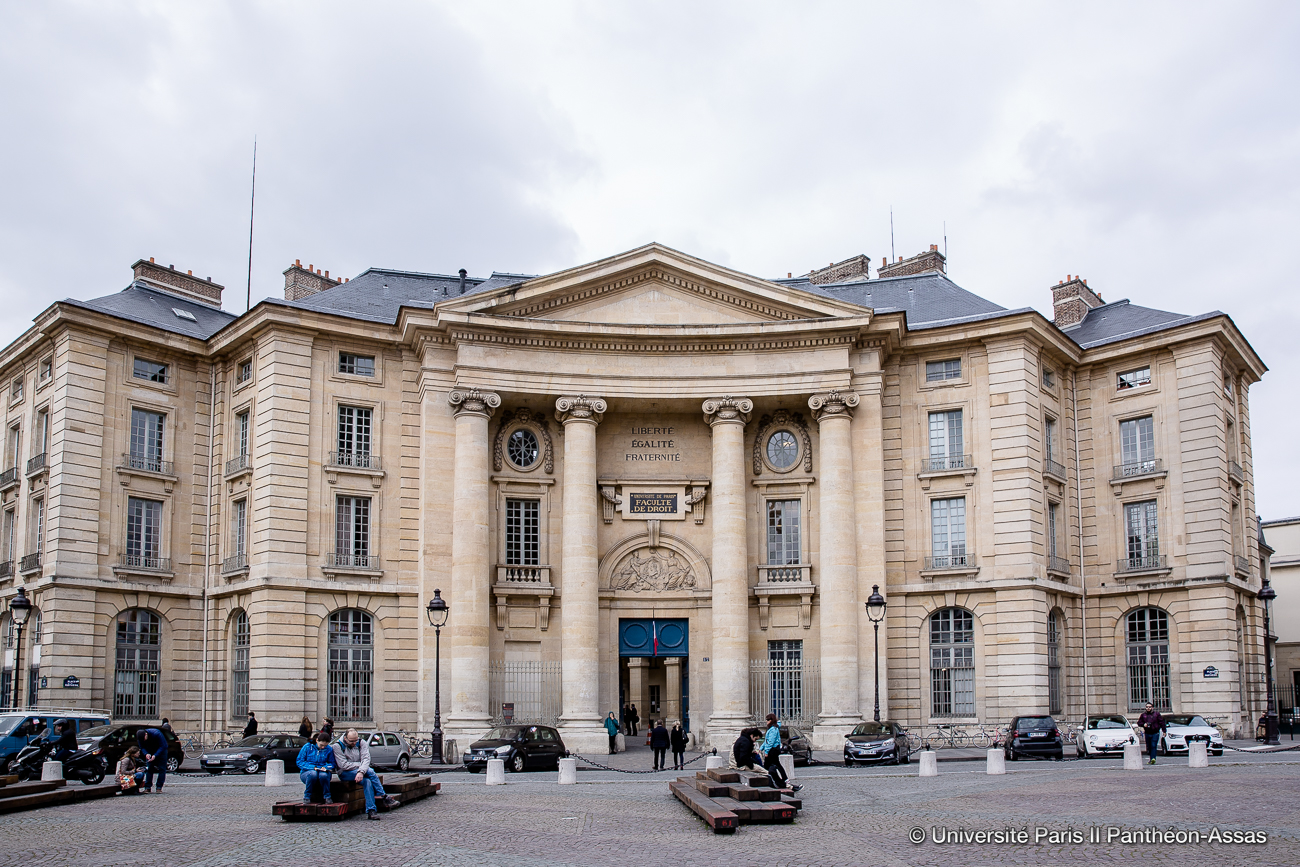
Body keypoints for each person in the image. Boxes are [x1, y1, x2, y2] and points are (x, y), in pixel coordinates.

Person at [333, 728, 399, 820]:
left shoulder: (361, 742)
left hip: (360, 771)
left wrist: (361, 772)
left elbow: (366, 759)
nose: (354, 743)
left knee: (368, 782)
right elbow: (343, 765)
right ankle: (384, 796)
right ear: (345, 739)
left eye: (356, 740)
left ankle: (371, 811)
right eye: (352, 741)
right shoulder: (337, 746)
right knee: (371, 771)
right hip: (345, 773)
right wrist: (361, 768)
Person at [761, 713, 800, 792]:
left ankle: (781, 781)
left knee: (770, 766)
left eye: (768, 720)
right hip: (773, 749)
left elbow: (770, 742)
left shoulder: (773, 729)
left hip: (773, 750)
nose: (766, 721)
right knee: (774, 765)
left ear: (772, 720)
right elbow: (766, 741)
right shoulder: (772, 728)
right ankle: (782, 780)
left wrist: (766, 751)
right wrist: (761, 748)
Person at [296, 731, 337, 804]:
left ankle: (327, 796)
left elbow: (333, 763)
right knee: (312, 774)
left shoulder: (329, 749)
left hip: (323, 771)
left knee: (323, 775)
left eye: (325, 745)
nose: (323, 747)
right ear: (316, 740)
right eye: (321, 745)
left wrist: (326, 767)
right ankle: (307, 796)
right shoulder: (307, 747)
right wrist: (312, 767)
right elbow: (299, 761)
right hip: (307, 771)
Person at [136, 726, 169, 793]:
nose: (144, 740)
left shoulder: (156, 733)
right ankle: (147, 787)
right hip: (150, 751)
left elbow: (163, 746)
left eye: (144, 739)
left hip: (161, 752)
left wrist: (155, 755)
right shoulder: (140, 738)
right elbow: (142, 747)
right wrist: (146, 754)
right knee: (149, 769)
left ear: (146, 734)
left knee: (162, 769)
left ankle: (159, 787)